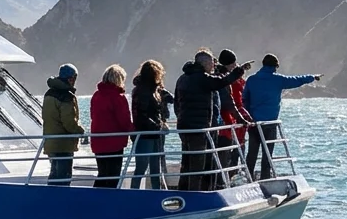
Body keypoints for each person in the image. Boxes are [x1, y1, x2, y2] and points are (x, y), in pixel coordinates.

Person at [173, 49, 251, 191]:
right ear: (204, 63)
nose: (213, 65)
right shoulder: (202, 78)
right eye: (211, 63)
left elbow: (176, 103)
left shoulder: (182, 78)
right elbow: (222, 81)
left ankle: (182, 192)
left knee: (187, 162)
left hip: (184, 126)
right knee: (199, 165)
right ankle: (196, 196)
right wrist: (239, 71)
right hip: (199, 127)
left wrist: (180, 117)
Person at [243, 53, 321, 179]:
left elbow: (245, 98)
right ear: (275, 66)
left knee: (252, 152)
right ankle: (265, 178)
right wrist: (312, 77)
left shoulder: (251, 79)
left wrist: (248, 115)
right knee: (267, 154)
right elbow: (296, 80)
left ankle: (248, 178)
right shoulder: (278, 80)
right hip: (270, 123)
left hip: (254, 123)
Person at [130, 59, 174, 190]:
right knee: (141, 167)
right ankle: (135, 193)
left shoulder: (154, 90)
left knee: (156, 167)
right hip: (145, 134)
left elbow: (170, 99)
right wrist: (158, 126)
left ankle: (156, 192)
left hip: (154, 134)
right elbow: (142, 115)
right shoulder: (142, 91)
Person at [41, 63, 85, 186]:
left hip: (51, 142)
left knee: (54, 175)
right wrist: (80, 131)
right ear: (71, 78)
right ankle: (61, 203)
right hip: (63, 144)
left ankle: (50, 202)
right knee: (63, 178)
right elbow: (69, 122)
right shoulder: (66, 96)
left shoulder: (49, 94)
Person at [89, 64, 132, 188]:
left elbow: (93, 115)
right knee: (113, 175)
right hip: (114, 142)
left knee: (102, 173)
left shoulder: (96, 96)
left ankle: (95, 199)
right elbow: (123, 121)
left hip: (98, 140)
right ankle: (110, 200)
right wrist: (134, 130)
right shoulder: (118, 98)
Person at [215, 49, 254, 181]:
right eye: (232, 63)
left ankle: (233, 173)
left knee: (236, 147)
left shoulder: (223, 76)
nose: (234, 65)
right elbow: (234, 96)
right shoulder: (226, 79)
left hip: (233, 117)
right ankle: (231, 175)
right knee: (234, 148)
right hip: (231, 118)